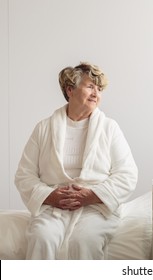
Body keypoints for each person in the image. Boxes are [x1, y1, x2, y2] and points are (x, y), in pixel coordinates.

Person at [14, 62, 138, 259]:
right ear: (70, 90)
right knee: (41, 237)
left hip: (95, 207)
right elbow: (24, 175)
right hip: (53, 207)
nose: (96, 93)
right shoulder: (43, 128)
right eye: (90, 86)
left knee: (84, 240)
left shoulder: (109, 128)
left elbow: (127, 174)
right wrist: (50, 195)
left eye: (99, 89)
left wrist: (92, 195)